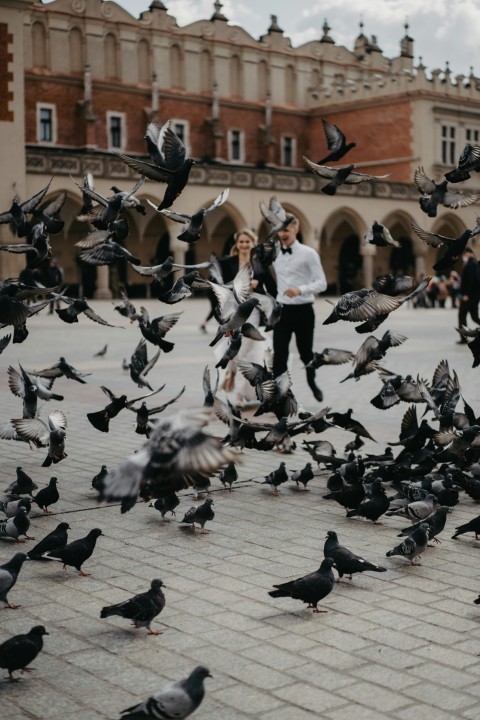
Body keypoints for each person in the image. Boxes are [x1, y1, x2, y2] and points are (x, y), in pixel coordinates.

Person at [212, 228, 273, 407]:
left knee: (243, 351)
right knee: (235, 349)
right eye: (241, 242)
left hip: (252, 313)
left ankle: (238, 392)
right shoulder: (227, 263)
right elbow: (217, 287)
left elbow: (272, 289)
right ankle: (231, 372)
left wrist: (258, 285)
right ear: (237, 245)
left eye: (248, 241)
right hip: (232, 312)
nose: (245, 245)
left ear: (253, 243)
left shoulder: (260, 264)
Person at [272, 217, 327, 401]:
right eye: (280, 230)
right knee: (279, 355)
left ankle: (312, 383)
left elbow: (322, 283)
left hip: (303, 311)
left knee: (306, 354)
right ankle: (281, 395)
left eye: (287, 230)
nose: (283, 234)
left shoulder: (308, 253)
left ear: (296, 229)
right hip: (281, 312)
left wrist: (300, 290)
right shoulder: (275, 254)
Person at [457, 247, 480, 342]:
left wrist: (466, 294)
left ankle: (463, 338)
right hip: (474, 296)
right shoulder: (475, 263)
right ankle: (464, 336)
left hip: (469, 296)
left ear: (468, 253)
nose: (463, 257)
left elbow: (470, 281)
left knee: (462, 315)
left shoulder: (471, 264)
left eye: (464, 254)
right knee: (474, 317)